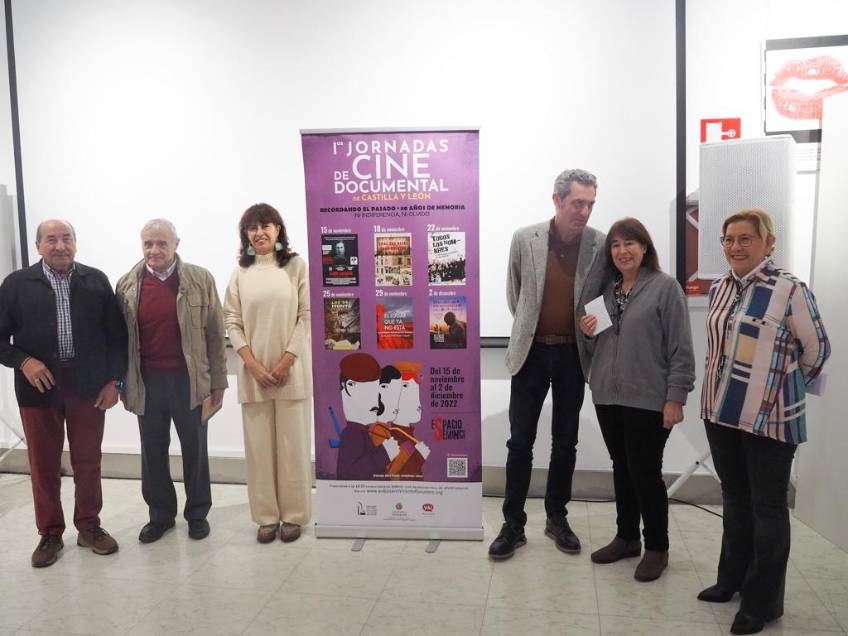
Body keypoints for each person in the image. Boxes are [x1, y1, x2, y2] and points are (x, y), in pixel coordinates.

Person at [697, 209, 829, 635]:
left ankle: (762, 603)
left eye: (746, 238)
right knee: (735, 498)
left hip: (770, 419)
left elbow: (817, 351)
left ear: (768, 243)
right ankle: (730, 581)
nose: (735, 246)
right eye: (729, 239)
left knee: (768, 508)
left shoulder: (790, 289)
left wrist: (774, 387)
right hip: (721, 412)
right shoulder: (719, 287)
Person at [489, 169, 608, 560]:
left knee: (566, 441)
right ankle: (513, 524)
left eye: (590, 203)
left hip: (574, 355)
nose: (585, 211)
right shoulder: (526, 239)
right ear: (557, 200)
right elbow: (516, 295)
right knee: (519, 441)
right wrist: (532, 327)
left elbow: (608, 298)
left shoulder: (599, 244)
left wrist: (594, 324)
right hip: (532, 353)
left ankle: (557, 518)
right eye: (578, 203)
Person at [0, 219, 127, 567]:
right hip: (38, 389)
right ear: (38, 246)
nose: (60, 245)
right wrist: (24, 361)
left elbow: (117, 338)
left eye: (66, 238)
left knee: (88, 460)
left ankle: (89, 526)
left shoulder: (95, 280)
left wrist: (116, 382)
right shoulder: (16, 285)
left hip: (88, 387)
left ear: (76, 243)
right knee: (43, 465)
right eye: (51, 239)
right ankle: (50, 533)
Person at [579, 217, 695, 581]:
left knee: (645, 471)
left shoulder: (665, 288)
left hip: (648, 397)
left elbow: (680, 348)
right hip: (608, 396)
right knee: (622, 467)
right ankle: (627, 538)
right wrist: (587, 333)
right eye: (615, 244)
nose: (622, 251)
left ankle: (657, 546)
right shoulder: (605, 294)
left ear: (645, 247)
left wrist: (675, 398)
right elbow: (596, 348)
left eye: (630, 243)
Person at [116, 219, 228, 544]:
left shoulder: (200, 279)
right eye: (148, 244)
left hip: (189, 381)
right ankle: (160, 516)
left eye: (161, 243)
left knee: (195, 449)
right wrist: (121, 383)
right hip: (146, 383)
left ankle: (197, 514)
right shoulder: (126, 285)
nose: (154, 250)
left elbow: (215, 334)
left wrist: (218, 381)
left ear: (176, 244)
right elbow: (120, 340)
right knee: (152, 452)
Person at [223, 203, 313, 544]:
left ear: (278, 230)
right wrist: (254, 365)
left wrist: (285, 362)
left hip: (292, 372)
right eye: (252, 227)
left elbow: (306, 316)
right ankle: (266, 517)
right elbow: (232, 321)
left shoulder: (295, 267)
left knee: (292, 448)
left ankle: (293, 516)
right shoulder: (240, 274)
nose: (259, 232)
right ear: (245, 235)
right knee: (259, 450)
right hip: (254, 375)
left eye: (266, 226)